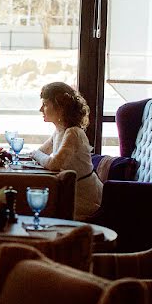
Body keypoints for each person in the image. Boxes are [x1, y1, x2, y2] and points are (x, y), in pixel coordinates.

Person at [30, 82, 102, 220]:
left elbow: (53, 163)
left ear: (60, 107)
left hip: (83, 197)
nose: (41, 109)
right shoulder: (59, 131)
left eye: (45, 104)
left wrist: (34, 154)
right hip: (70, 191)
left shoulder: (73, 133)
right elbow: (40, 153)